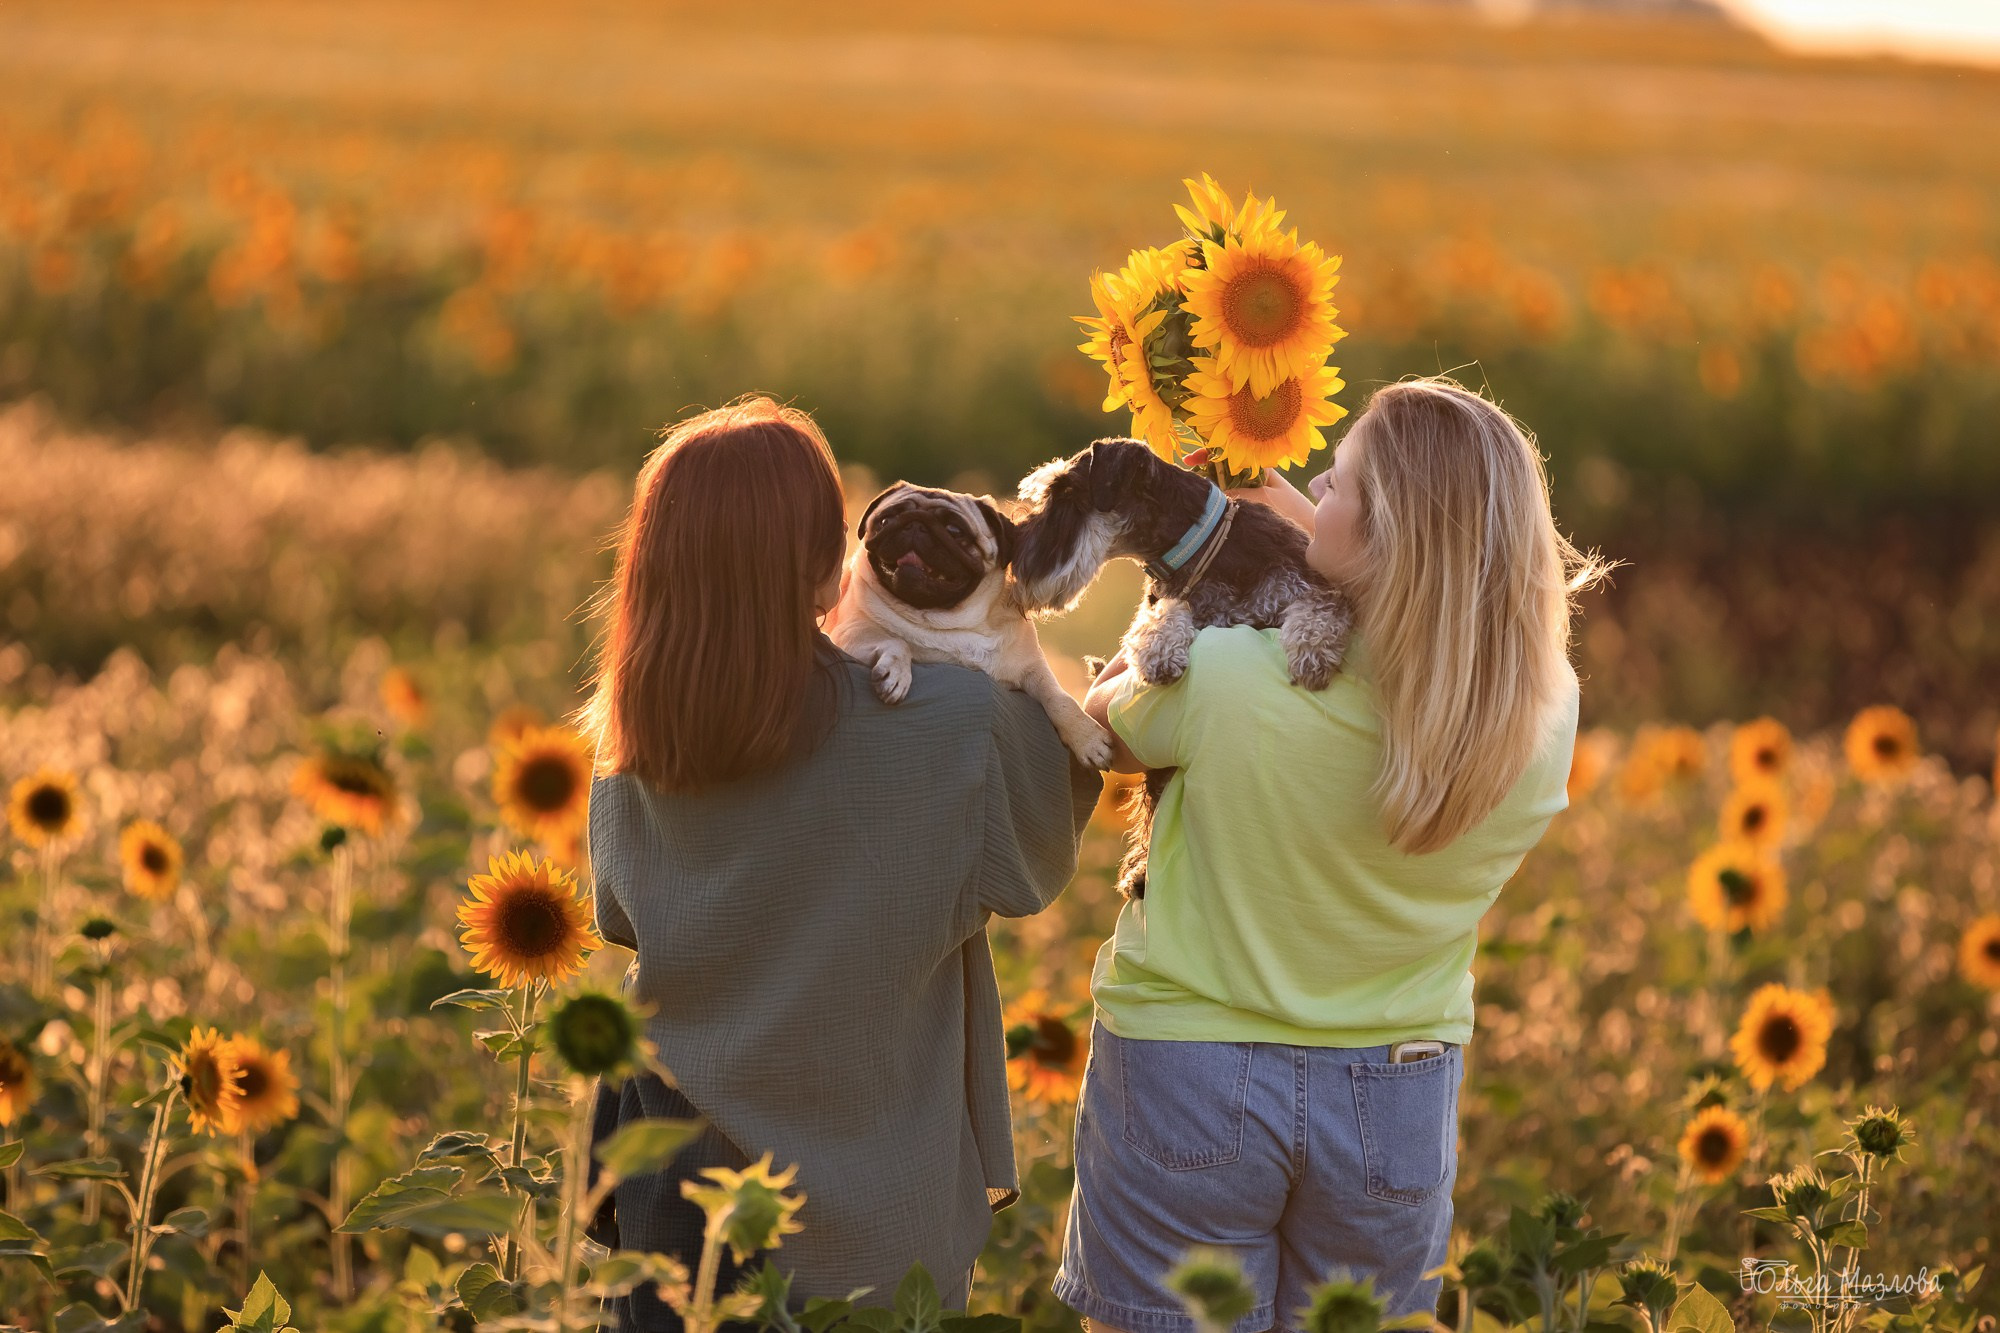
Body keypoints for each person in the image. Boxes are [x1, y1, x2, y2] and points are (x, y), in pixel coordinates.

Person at [1053, 377, 1603, 1332]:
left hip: (1191, 1076)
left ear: (1386, 531)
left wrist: (1207, 565)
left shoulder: (1230, 678)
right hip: (1394, 1094)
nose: (1313, 482)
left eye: (1336, 481)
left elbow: (1110, 719)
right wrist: (1312, 530)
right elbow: (1415, 629)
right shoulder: (1541, 714)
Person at [581, 396, 1100, 1331]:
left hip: (675, 1188)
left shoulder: (635, 735)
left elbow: (620, 913)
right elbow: (1036, 852)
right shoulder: (948, 725)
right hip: (878, 1202)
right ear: (830, 562)